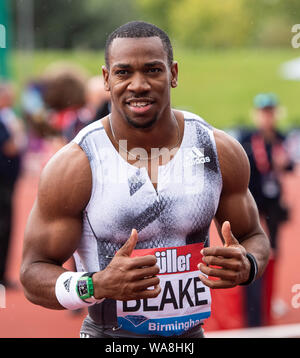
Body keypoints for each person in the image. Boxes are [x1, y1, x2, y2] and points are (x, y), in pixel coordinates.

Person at [20, 21, 270, 338]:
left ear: (174, 74)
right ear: (107, 79)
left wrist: (248, 264)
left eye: (153, 70)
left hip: (189, 337)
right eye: (124, 72)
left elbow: (254, 237)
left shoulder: (217, 150)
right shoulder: (78, 164)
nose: (139, 84)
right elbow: (32, 273)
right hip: (109, 337)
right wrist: (94, 284)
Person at [240, 93, 294, 327]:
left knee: (275, 252)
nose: (268, 117)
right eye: (264, 112)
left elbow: (289, 166)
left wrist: (284, 164)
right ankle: (254, 310)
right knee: (256, 251)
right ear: (257, 115)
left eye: (271, 112)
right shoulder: (249, 139)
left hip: (274, 205)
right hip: (254, 204)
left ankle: (268, 298)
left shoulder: (281, 139)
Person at [0, 82, 26, 287]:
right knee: (3, 227)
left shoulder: (7, 118)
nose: (10, 99)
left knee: (7, 228)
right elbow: (10, 148)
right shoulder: (4, 121)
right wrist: (18, 134)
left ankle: (3, 274)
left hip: (9, 182)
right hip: (2, 182)